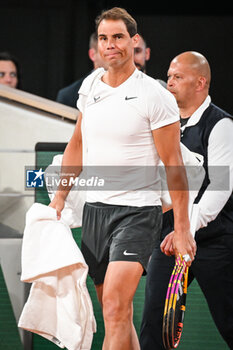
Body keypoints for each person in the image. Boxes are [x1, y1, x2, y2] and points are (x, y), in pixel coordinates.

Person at [50, 8, 196, 350]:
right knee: (115, 312)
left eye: (118, 37)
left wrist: (183, 227)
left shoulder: (155, 95)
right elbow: (77, 144)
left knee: (115, 306)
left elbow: (174, 164)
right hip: (95, 213)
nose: (110, 45)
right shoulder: (90, 86)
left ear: (134, 41)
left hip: (138, 215)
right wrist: (59, 196)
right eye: (104, 38)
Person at [140, 51, 233, 349]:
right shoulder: (161, 125)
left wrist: (186, 229)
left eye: (178, 77)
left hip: (214, 240)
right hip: (168, 238)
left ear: (200, 82)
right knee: (153, 323)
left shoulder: (221, 125)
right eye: (168, 76)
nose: (169, 83)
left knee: (229, 321)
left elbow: (220, 187)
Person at [56, 32, 107, 108]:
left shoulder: (129, 86)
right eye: (106, 51)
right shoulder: (68, 96)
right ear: (92, 54)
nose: (112, 55)